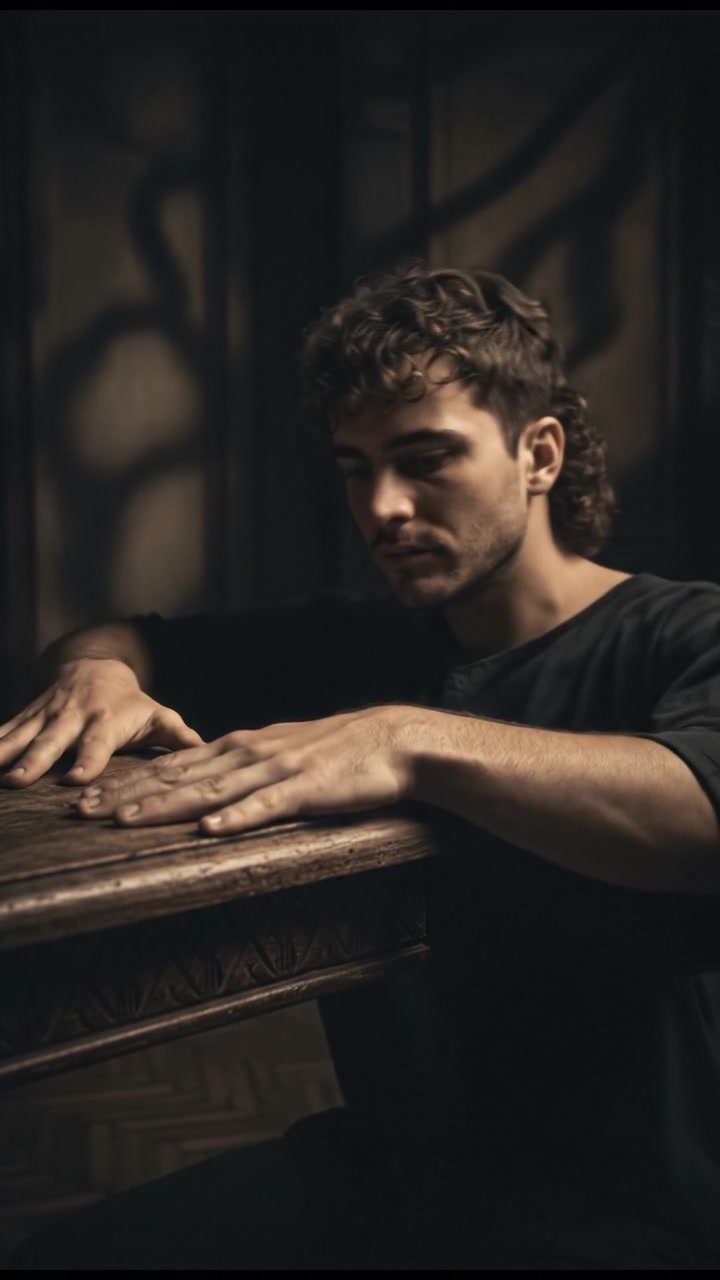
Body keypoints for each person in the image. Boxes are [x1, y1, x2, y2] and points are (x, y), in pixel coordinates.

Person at [4, 261, 720, 1269]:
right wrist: (94, 675)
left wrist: (405, 740)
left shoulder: (685, 629)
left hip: (631, 1201)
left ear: (539, 453)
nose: (382, 505)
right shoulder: (356, 639)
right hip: (396, 1168)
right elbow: (122, 635)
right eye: (354, 466)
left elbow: (703, 810)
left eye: (427, 458)